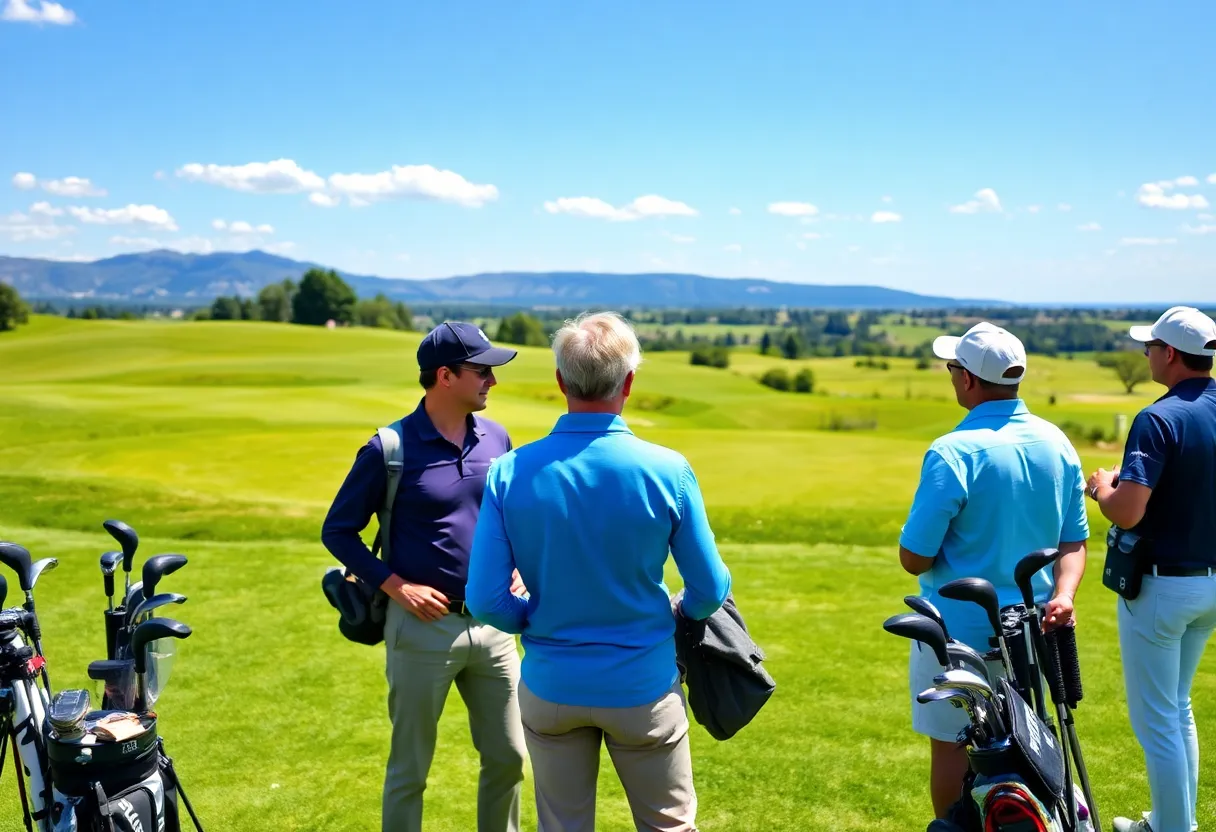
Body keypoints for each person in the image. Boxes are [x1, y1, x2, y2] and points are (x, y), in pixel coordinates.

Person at [465, 311, 732, 832]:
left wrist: (534, 619)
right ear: (629, 382)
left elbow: (487, 601)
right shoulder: (667, 469)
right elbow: (710, 588)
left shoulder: (510, 471)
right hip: (644, 687)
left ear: (561, 381)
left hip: (553, 686)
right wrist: (681, 612)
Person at [320, 321, 528, 832]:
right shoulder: (387, 449)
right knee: (410, 769)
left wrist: (520, 565)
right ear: (445, 376)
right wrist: (397, 585)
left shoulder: (498, 438)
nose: (492, 383)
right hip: (420, 629)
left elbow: (510, 517)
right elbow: (338, 531)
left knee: (509, 758)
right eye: (482, 371)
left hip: (495, 627)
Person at [897, 321, 1089, 819]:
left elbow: (914, 557)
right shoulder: (1056, 441)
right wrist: (1064, 594)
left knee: (952, 747)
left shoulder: (951, 451)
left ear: (967, 379)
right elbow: (1073, 540)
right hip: (1033, 628)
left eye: (953, 368)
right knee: (1034, 741)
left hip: (958, 637)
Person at [1086, 306, 1216, 832]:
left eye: (1150, 347)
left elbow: (1127, 510)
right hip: (1210, 586)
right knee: (1177, 709)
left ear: (1169, 354)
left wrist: (1101, 488)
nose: (1145, 354)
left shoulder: (1157, 418)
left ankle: (1171, 830)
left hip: (1164, 589)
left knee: (1157, 721)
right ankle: (1169, 820)